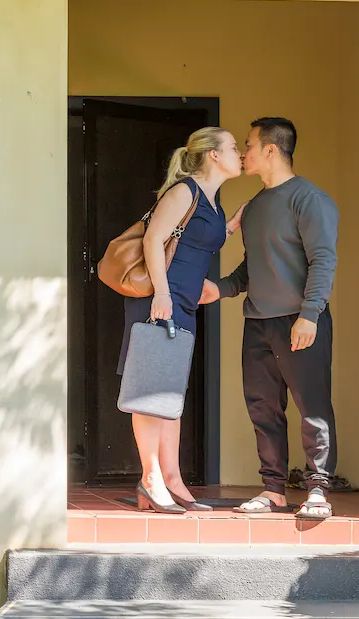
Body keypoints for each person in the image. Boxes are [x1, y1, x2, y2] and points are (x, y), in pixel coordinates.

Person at [200, 117, 339, 519]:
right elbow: (252, 266)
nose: (243, 153)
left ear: (271, 150)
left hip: (300, 320)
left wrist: (310, 315)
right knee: (263, 409)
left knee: (312, 407)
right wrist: (220, 289)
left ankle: (318, 490)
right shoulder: (255, 207)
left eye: (248, 145)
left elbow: (323, 260)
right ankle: (273, 490)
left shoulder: (309, 199)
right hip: (258, 323)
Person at [119, 127, 244, 514]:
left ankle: (172, 480)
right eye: (234, 147)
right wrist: (161, 294)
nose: (240, 153)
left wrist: (231, 225)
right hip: (161, 303)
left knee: (170, 394)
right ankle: (150, 478)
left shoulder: (212, 202)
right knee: (150, 392)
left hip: (182, 305)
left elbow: (197, 239)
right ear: (214, 155)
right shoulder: (184, 192)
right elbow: (153, 239)